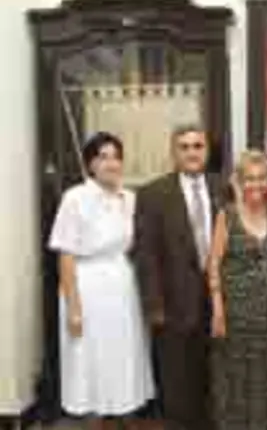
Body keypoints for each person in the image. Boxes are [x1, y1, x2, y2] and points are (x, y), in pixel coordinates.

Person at [49, 132, 154, 430]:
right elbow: (65, 255)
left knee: (124, 352)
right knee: (90, 356)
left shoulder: (129, 198)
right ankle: (94, 419)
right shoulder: (75, 198)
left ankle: (124, 412)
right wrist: (73, 308)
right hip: (87, 287)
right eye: (102, 157)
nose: (111, 163)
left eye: (115, 157)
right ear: (90, 164)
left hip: (123, 286)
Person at [134, 124, 222, 430]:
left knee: (213, 375)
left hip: (218, 301)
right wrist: (154, 306)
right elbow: (145, 256)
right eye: (184, 147)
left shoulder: (223, 187)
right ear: (173, 153)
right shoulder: (152, 194)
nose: (192, 152)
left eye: (198, 146)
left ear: (207, 151)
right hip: (172, 304)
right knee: (176, 380)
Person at [207, 150, 267, 430]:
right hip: (237, 319)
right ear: (239, 181)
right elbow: (214, 264)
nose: (255, 185)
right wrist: (218, 309)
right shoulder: (227, 216)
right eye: (249, 179)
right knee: (238, 384)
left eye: (261, 178)